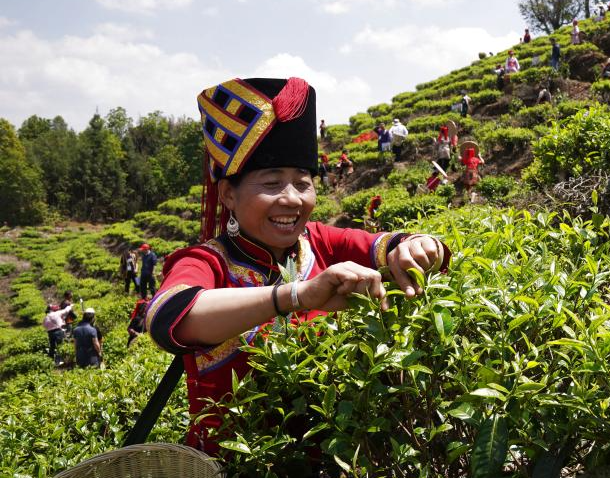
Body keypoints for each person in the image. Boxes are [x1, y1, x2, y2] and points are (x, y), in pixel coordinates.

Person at [147, 77, 451, 453]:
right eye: (272, 184)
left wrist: (420, 246)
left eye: (302, 183)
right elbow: (168, 318)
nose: (292, 199)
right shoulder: (207, 262)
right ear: (228, 194)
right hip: (236, 461)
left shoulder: (319, 241)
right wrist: (297, 295)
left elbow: (388, 245)